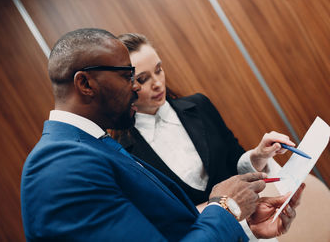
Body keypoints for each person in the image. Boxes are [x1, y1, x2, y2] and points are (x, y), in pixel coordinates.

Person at [20, 28, 304, 241]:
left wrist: (243, 225)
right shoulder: (58, 167)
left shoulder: (92, 147)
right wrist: (226, 209)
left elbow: (172, 228)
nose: (136, 88)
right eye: (128, 76)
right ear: (85, 83)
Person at [116, 33, 293, 211]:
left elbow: (235, 164)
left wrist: (259, 155)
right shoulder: (122, 151)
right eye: (142, 79)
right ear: (121, 88)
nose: (157, 83)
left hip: (252, 226)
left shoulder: (199, 105)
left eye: (158, 70)